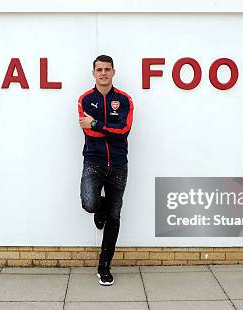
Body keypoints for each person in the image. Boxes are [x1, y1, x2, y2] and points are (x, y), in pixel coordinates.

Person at [78, 55, 134, 286]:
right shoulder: (85, 99)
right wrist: (101, 128)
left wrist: (97, 124)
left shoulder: (124, 100)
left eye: (107, 69)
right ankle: (99, 210)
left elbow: (124, 131)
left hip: (119, 165)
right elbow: (88, 132)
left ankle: (104, 266)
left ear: (113, 72)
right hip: (94, 162)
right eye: (99, 69)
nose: (103, 73)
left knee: (114, 216)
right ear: (93, 73)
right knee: (89, 203)